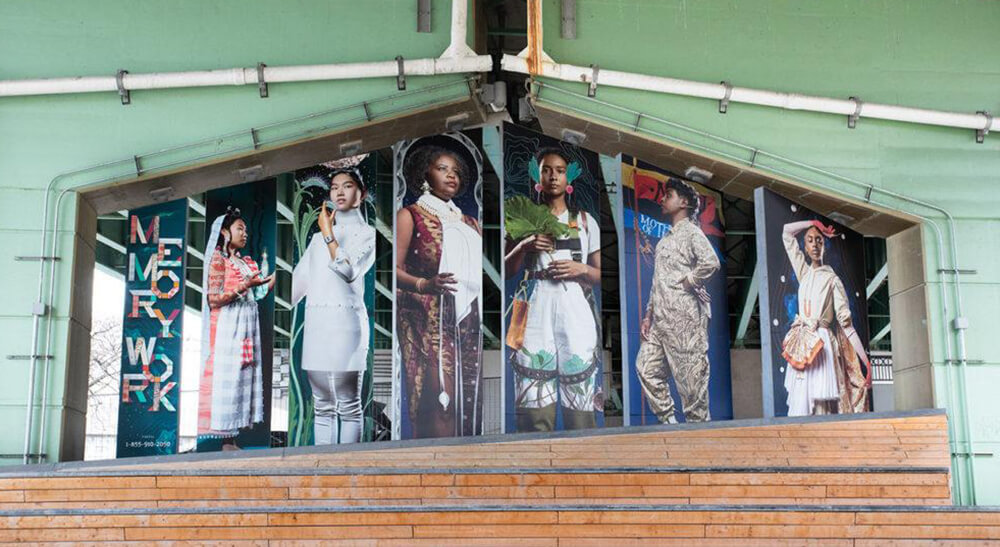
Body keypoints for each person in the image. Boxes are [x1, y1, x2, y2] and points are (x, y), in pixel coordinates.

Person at [504, 147, 602, 432]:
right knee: (532, 384)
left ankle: (581, 464)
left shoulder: (584, 221)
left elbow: (598, 273)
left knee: (579, 382)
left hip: (574, 302)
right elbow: (508, 269)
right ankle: (533, 460)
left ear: (567, 176)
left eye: (559, 171)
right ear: (538, 175)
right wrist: (525, 244)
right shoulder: (521, 217)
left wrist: (580, 269)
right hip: (534, 300)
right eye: (546, 170)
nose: (553, 176)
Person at [395, 144, 483, 439]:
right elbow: (392, 270)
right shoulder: (411, 215)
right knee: (436, 395)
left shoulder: (470, 222)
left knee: (462, 398)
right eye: (442, 169)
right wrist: (424, 284)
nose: (451, 176)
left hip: (464, 320)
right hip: (423, 317)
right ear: (425, 174)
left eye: (456, 172)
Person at [292, 169, 376, 444]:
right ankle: (320, 470)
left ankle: (348, 471)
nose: (339, 192)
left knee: (349, 405)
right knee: (322, 406)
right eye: (335, 187)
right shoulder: (316, 240)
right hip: (317, 325)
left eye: (348, 186)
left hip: (346, 324)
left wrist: (328, 234)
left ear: (361, 194)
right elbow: (298, 284)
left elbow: (348, 271)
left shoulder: (367, 234)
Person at [636, 178, 719, 423]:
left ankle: (699, 445)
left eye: (669, 194)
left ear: (683, 202)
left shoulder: (692, 233)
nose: (663, 198)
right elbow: (656, 281)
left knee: (692, 388)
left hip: (685, 323)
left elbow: (711, 262)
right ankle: (669, 425)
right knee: (646, 369)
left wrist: (689, 281)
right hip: (660, 323)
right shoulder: (664, 241)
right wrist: (648, 315)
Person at [198, 207, 274, 450]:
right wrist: (244, 286)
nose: (245, 233)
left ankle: (234, 439)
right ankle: (226, 439)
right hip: (229, 326)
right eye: (239, 228)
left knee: (245, 375)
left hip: (247, 324)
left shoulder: (245, 261)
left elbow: (258, 293)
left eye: (246, 229)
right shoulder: (219, 260)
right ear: (224, 231)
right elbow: (214, 299)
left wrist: (270, 280)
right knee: (229, 379)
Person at [781, 220, 871, 416]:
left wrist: (866, 363)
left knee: (821, 407)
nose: (814, 245)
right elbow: (787, 233)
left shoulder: (832, 280)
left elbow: (847, 325)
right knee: (800, 406)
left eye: (819, 240)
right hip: (802, 343)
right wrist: (813, 223)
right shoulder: (804, 273)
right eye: (810, 240)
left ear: (824, 245)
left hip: (822, 344)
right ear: (804, 247)